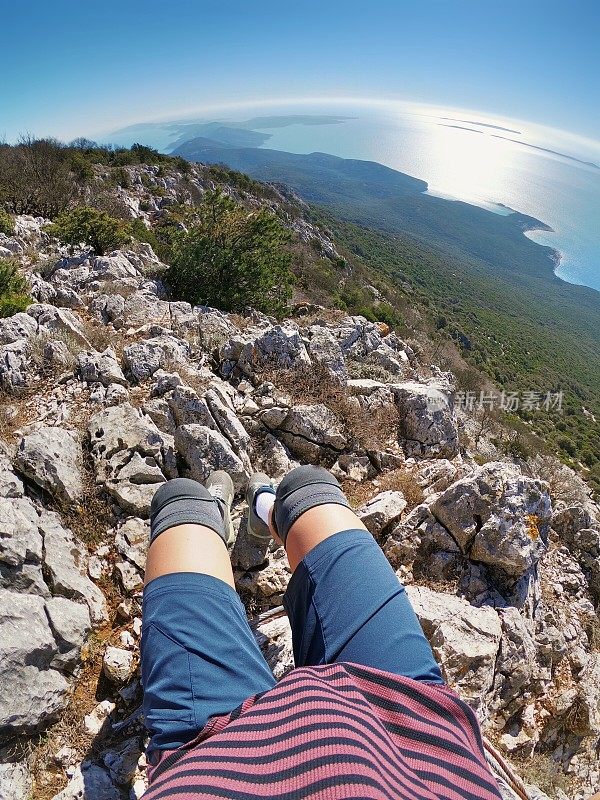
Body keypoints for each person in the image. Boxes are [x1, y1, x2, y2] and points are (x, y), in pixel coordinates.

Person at [140, 465, 502, 800]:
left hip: (211, 753)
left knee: (180, 500)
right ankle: (265, 510)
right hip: (413, 723)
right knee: (308, 487)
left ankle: (215, 515)